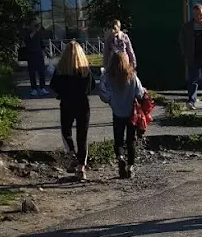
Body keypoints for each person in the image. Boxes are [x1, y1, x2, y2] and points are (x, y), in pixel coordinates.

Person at [49, 40, 95, 181]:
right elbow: (91, 86)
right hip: (82, 104)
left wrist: (62, 95)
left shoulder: (61, 70)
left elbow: (53, 86)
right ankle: (82, 168)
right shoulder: (85, 70)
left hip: (67, 104)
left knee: (66, 131)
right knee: (82, 136)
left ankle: (71, 153)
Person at [98, 50, 146, 179]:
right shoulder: (132, 76)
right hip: (131, 113)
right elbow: (139, 93)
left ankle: (120, 157)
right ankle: (130, 167)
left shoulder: (108, 76)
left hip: (117, 112)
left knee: (118, 140)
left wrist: (110, 99)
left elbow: (102, 92)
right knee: (131, 141)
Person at [23, 20, 49, 96]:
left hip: (39, 55)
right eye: (34, 25)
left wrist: (47, 53)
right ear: (31, 26)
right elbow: (27, 41)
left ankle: (42, 88)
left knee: (42, 73)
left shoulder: (39, 34)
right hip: (31, 56)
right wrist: (34, 31)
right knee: (32, 73)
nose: (36, 27)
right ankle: (34, 89)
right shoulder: (27, 33)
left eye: (36, 25)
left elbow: (42, 44)